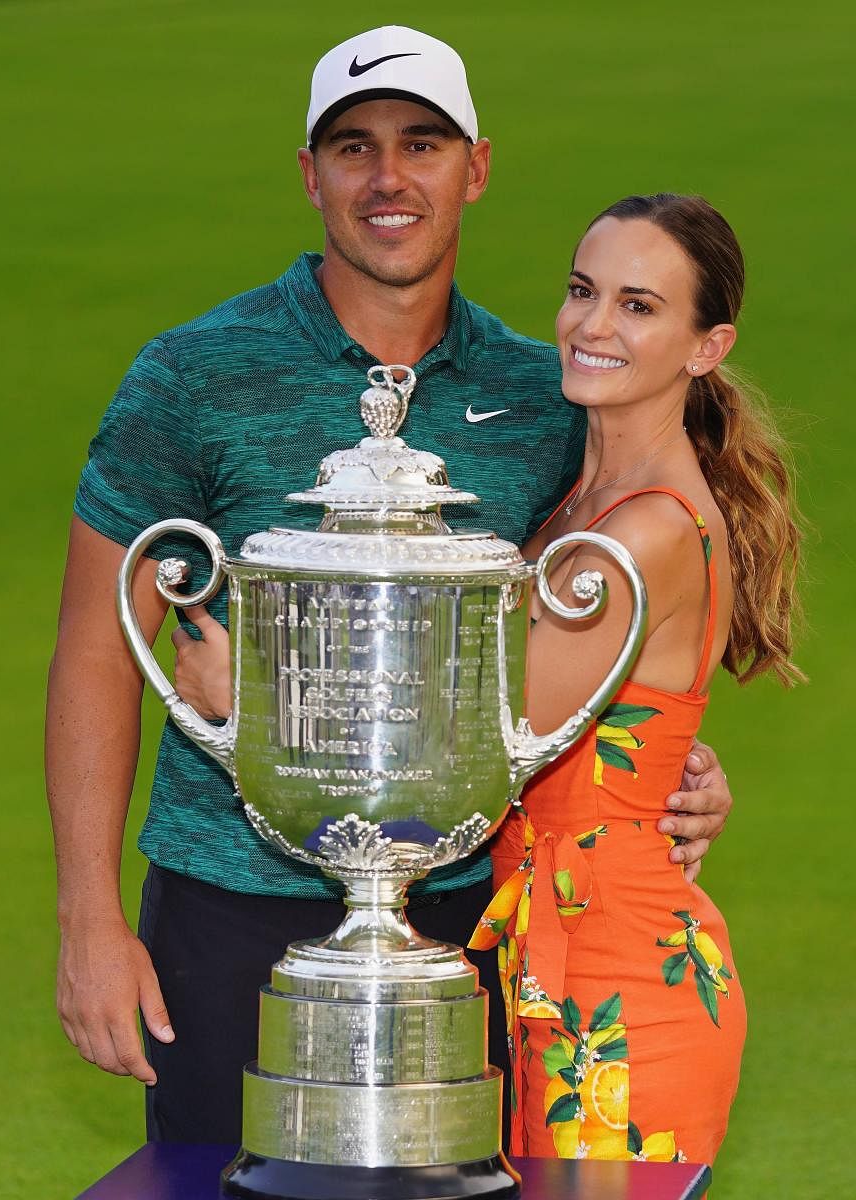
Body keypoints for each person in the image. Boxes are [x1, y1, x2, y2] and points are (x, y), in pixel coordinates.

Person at [46, 28, 733, 1145]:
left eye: (421, 143)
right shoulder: (191, 377)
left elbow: (585, 628)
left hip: (466, 922)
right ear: (310, 176)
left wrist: (668, 763)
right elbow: (93, 645)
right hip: (226, 909)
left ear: (476, 167)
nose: (388, 178)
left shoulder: (543, 393)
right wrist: (86, 916)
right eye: (353, 148)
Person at [469, 193, 803, 1164]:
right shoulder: (589, 496)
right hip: (552, 966)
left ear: (706, 346)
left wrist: (261, 699)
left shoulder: (645, 532)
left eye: (638, 305)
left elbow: (483, 744)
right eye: (582, 291)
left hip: (618, 994)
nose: (592, 325)